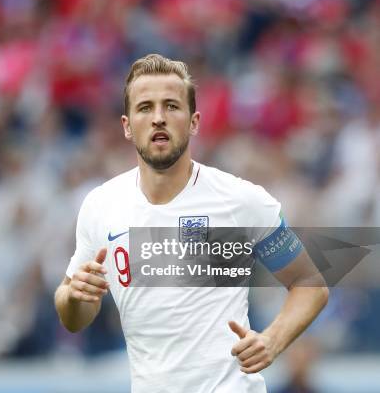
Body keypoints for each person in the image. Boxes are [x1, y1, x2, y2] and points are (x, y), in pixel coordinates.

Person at [54, 54, 329, 392]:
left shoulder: (241, 200)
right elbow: (74, 317)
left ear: (194, 122)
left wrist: (272, 340)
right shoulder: (101, 205)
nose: (158, 118)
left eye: (171, 106)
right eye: (145, 108)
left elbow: (309, 282)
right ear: (127, 126)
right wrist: (75, 297)